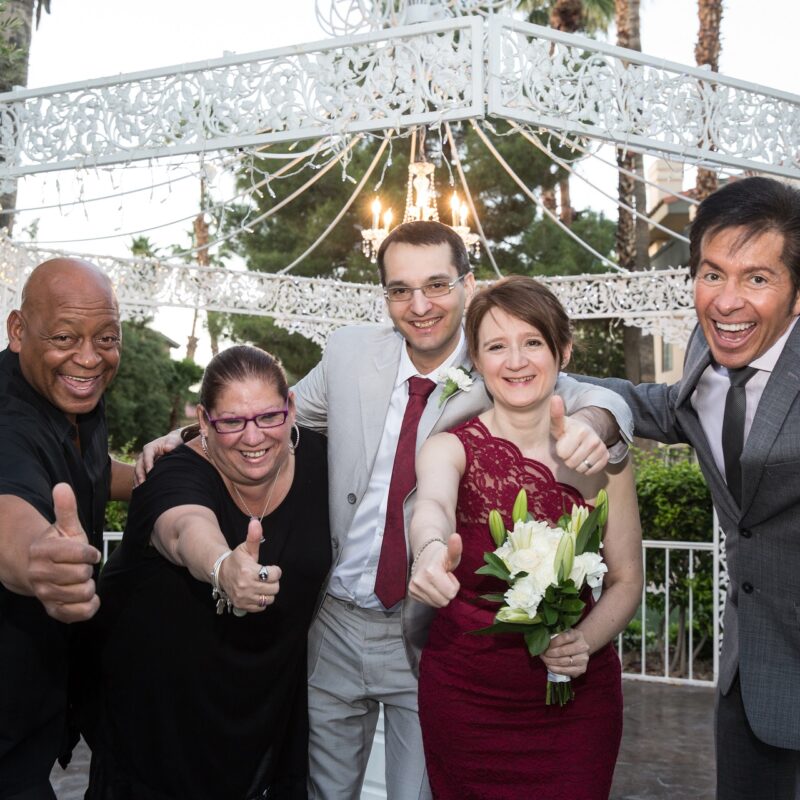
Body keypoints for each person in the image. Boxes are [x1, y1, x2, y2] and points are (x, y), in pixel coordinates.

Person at [138, 220, 634, 800]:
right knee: (321, 790)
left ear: (467, 286)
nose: (419, 305)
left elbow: (597, 396)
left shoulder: (495, 365)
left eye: (437, 285)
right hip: (335, 623)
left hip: (424, 633)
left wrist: (600, 425)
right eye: (400, 289)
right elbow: (268, 414)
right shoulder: (351, 352)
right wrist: (189, 434)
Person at [578, 176, 800, 800]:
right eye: (712, 274)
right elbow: (667, 408)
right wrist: (568, 393)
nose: (727, 302)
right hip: (749, 679)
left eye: (757, 278)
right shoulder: (708, 353)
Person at [407, 275, 642, 799]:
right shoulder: (449, 447)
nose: (516, 361)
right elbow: (433, 508)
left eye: (532, 342)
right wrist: (427, 553)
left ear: (562, 350)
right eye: (496, 346)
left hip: (577, 702)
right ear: (477, 361)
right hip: (465, 697)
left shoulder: (606, 460)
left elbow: (627, 579)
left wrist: (585, 640)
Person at [86, 345, 330, 799]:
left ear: (292, 408)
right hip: (164, 716)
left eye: (268, 417)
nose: (253, 437)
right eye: (232, 422)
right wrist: (222, 568)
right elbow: (182, 530)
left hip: (268, 706)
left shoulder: (325, 462)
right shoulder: (172, 471)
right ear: (204, 421)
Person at [0, 258, 134, 799]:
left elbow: (89, 475)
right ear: (17, 331)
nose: (88, 357)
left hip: (42, 694)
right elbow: (10, 502)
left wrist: (163, 468)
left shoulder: (72, 395)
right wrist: (39, 559)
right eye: (63, 336)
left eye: (106, 337)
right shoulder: (9, 416)